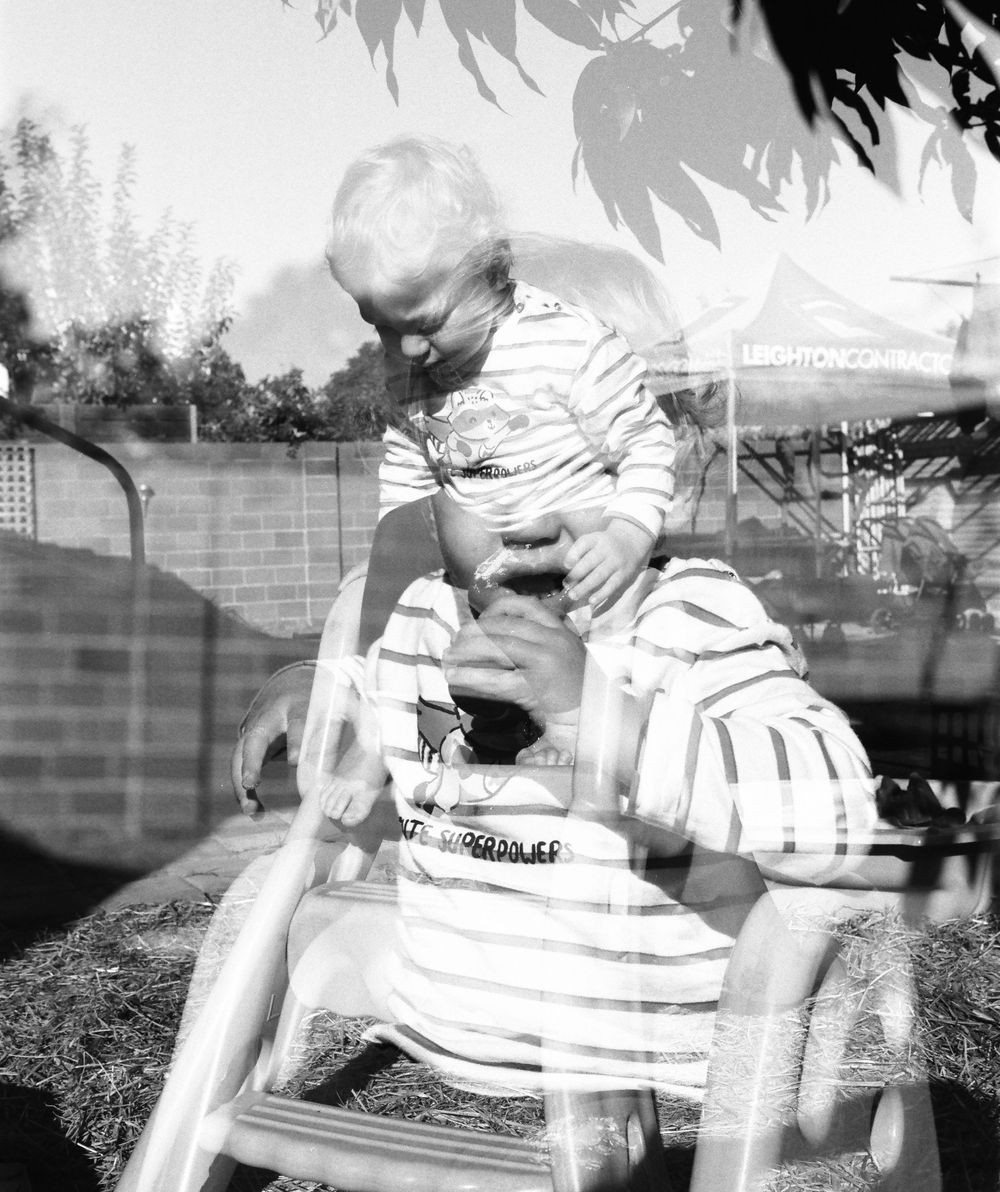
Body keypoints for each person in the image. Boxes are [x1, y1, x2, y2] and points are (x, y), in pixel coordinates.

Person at [234, 487, 878, 1095]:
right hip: (444, 1041)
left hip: (655, 1072)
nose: (531, 517)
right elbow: (371, 685)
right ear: (432, 502)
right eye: (485, 475)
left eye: (576, 467)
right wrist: (309, 686)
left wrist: (608, 721)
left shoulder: (690, 621)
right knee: (255, 904)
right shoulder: (422, 618)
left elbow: (840, 808)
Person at [325, 135, 679, 616]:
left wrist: (627, 535)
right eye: (382, 326)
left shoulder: (566, 341)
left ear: (491, 272)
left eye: (427, 324)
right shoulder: (409, 371)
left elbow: (645, 440)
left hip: (594, 586)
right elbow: (410, 469)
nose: (408, 348)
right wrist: (391, 561)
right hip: (490, 591)